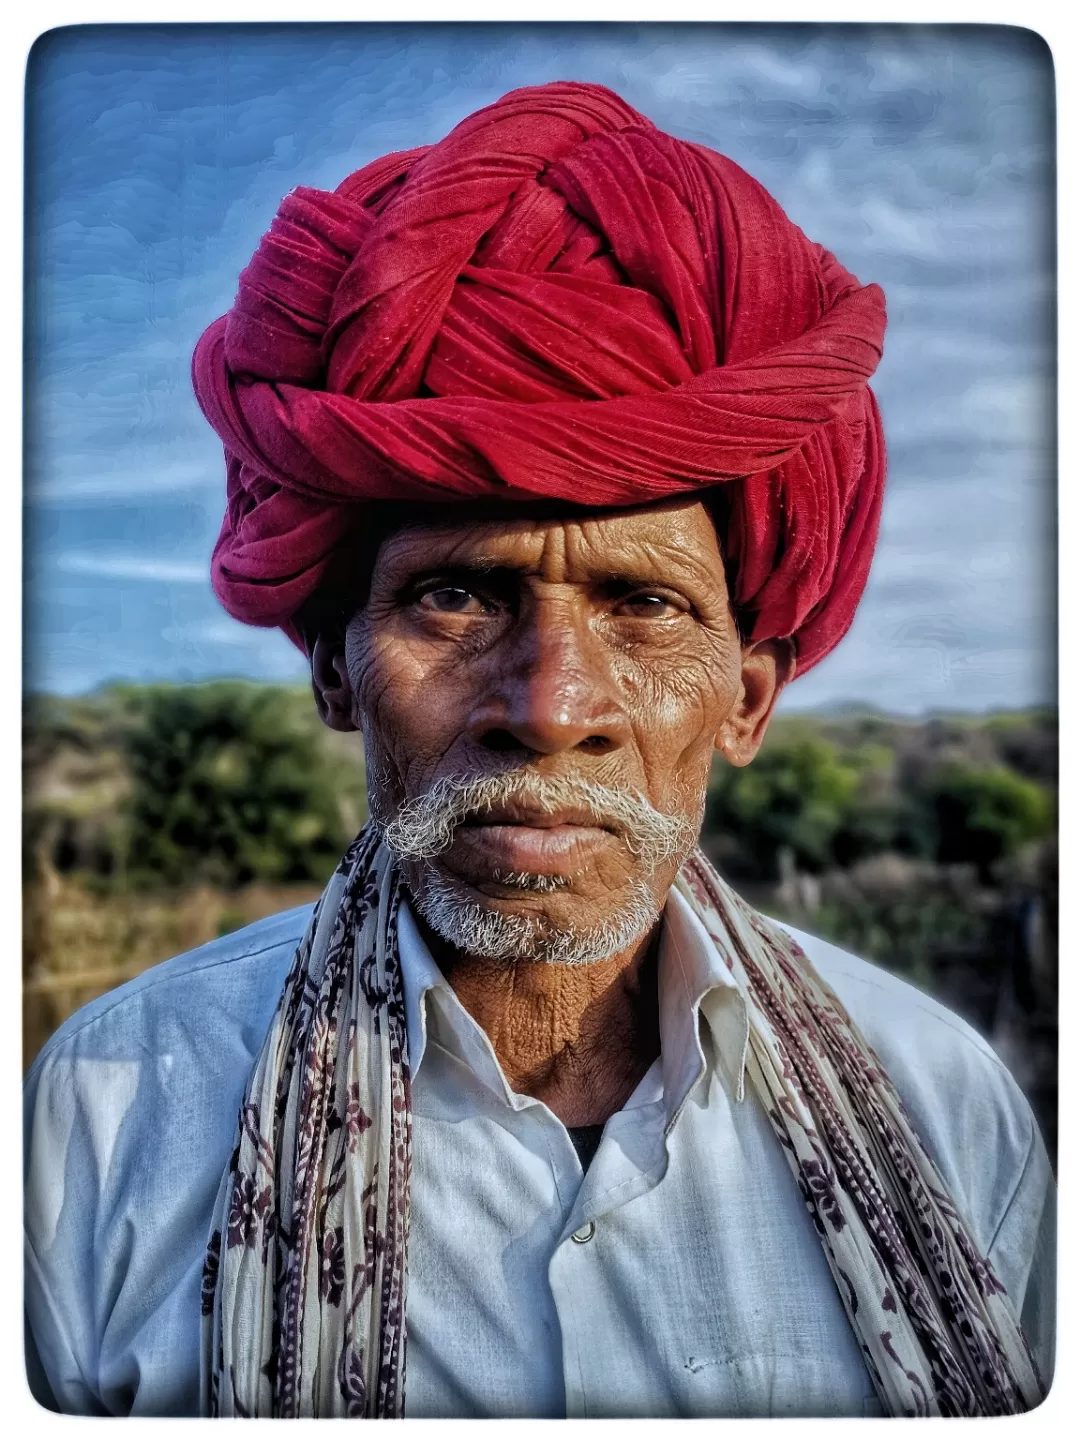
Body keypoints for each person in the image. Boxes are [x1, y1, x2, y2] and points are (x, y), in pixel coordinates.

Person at [23, 81, 1054, 1419]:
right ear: (339, 671)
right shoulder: (110, 1122)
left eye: (645, 603)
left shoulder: (942, 1106)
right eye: (457, 595)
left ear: (746, 702)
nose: (554, 702)